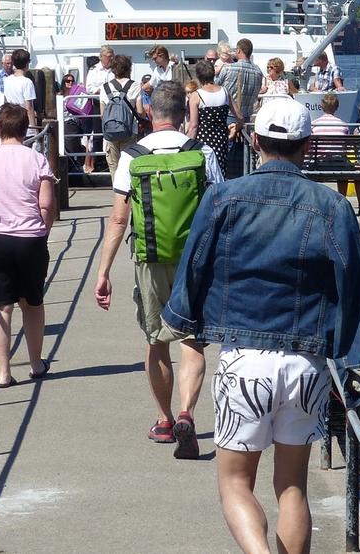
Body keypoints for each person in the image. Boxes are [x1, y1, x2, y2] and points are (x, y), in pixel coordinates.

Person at [161, 98, 360, 554]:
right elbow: (352, 285)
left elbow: (194, 265)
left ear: (255, 141)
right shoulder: (333, 207)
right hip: (306, 362)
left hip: (243, 358)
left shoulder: (222, 198)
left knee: (235, 484)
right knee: (293, 486)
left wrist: (181, 319)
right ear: (308, 145)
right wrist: (357, 360)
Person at [93, 82, 223, 458]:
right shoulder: (202, 152)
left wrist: (102, 273)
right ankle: (187, 412)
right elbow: (219, 210)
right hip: (194, 261)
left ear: (149, 113)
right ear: (184, 115)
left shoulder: (133, 156)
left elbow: (118, 220)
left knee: (156, 340)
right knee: (192, 341)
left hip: (149, 258)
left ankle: (164, 420)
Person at [0, 103, 57, 388]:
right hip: (30, 238)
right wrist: (42, 231)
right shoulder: (37, 160)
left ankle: (3, 372)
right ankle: (35, 363)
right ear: (24, 128)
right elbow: (46, 204)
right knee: (32, 303)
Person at [215, 38, 265, 179]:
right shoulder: (258, 72)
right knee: (243, 155)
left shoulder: (228, 68)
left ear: (238, 51)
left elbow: (217, 88)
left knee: (225, 152)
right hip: (247, 118)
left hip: (229, 116)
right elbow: (256, 95)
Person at [102, 53, 143, 175]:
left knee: (114, 165)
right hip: (129, 131)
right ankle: (128, 192)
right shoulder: (135, 85)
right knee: (128, 164)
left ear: (113, 69)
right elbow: (140, 112)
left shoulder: (105, 87)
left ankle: (117, 192)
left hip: (110, 132)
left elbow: (102, 114)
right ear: (128, 68)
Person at [188, 59, 232, 171]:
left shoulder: (196, 96)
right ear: (213, 73)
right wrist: (236, 127)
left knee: (204, 174)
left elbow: (193, 126)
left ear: (198, 76)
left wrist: (187, 146)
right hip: (222, 140)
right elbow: (240, 117)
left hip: (203, 142)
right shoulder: (225, 92)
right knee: (220, 172)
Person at [311, 92, 354, 202]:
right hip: (339, 164)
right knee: (344, 163)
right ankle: (342, 199)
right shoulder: (343, 125)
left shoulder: (314, 124)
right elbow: (346, 148)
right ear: (337, 107)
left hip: (319, 164)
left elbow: (310, 148)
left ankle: (315, 199)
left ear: (321, 106)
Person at [84, 47, 117, 174]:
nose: (111, 58)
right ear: (102, 57)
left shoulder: (116, 69)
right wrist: (101, 90)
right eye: (109, 56)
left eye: (112, 55)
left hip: (114, 105)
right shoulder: (94, 70)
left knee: (113, 133)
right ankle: (99, 162)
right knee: (98, 135)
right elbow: (89, 88)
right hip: (98, 104)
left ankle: (112, 161)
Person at [2, 49, 39, 146]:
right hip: (24, 125)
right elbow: (29, 108)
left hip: (11, 123)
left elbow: (6, 102)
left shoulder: (7, 80)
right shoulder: (27, 82)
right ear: (27, 63)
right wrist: (35, 131)